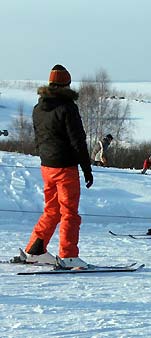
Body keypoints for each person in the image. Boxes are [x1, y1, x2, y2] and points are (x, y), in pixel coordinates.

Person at [20, 64, 93, 269]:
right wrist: (87, 169)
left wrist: (45, 157)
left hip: (47, 166)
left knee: (52, 209)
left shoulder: (38, 107)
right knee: (69, 212)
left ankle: (35, 249)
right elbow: (78, 140)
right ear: (66, 84)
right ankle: (68, 255)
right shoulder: (67, 107)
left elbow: (38, 138)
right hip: (65, 166)